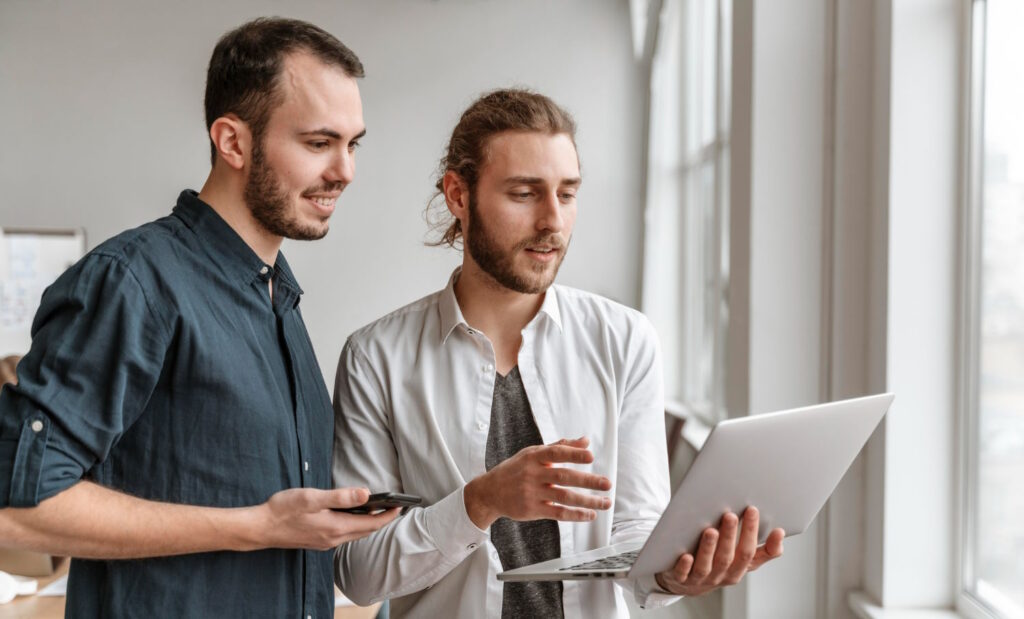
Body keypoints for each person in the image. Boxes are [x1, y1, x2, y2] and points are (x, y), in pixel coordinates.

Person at [332, 89, 785, 618]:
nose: (553, 220)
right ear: (458, 195)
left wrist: (675, 571)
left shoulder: (624, 340)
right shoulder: (376, 357)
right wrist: (481, 502)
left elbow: (638, 528)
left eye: (567, 194)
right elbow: (359, 573)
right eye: (525, 193)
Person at [0, 17, 396, 618]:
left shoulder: (279, 298)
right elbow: (17, 510)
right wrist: (257, 526)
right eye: (319, 143)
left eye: (353, 143)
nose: (345, 171)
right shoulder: (132, 282)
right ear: (232, 142)